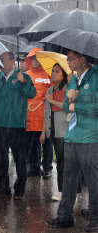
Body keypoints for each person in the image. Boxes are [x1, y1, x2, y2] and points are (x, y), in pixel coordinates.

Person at [48, 51, 98, 232]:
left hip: (90, 137)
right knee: (69, 178)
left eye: (70, 59)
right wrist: (69, 98)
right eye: (67, 58)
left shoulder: (96, 76)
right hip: (73, 135)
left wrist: (76, 105)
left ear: (83, 59)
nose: (67, 62)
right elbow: (67, 106)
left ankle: (95, 219)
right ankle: (65, 216)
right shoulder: (73, 79)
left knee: (93, 181)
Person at [0, 51, 36, 200]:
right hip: (1, 125)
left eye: (3, 60)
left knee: (19, 158)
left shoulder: (23, 76)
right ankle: (3, 186)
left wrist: (24, 83)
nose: (1, 63)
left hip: (17, 125)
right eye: (0, 60)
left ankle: (19, 189)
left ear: (12, 60)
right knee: (0, 157)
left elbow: (32, 94)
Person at [40, 63, 70, 201]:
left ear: (64, 74)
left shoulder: (67, 88)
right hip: (53, 131)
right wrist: (43, 132)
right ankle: (63, 191)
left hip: (64, 131)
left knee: (64, 163)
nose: (53, 73)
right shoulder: (50, 90)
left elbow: (67, 107)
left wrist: (52, 101)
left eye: (57, 71)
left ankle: (65, 192)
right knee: (60, 161)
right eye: (52, 71)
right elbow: (46, 112)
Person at [25, 48, 54, 179]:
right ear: (29, 60)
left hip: (44, 115)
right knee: (32, 143)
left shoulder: (49, 75)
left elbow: (54, 92)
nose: (35, 61)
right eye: (32, 59)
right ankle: (35, 167)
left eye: (37, 58)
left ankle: (47, 168)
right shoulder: (26, 75)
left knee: (47, 143)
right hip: (30, 116)